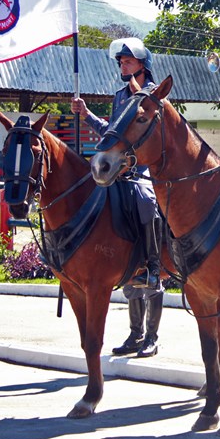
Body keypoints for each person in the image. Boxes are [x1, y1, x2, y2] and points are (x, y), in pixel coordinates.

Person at [71, 37, 163, 357]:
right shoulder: (118, 96)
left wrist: (134, 162)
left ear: (142, 63)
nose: (122, 65)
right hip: (118, 172)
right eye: (120, 61)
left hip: (144, 170)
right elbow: (111, 132)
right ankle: (135, 334)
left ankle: (153, 264)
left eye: (128, 60)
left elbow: (151, 136)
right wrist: (86, 115)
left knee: (146, 201)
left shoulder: (152, 93)